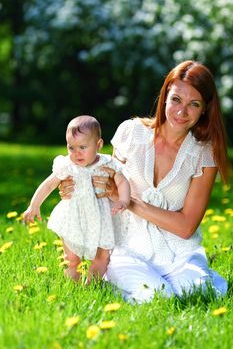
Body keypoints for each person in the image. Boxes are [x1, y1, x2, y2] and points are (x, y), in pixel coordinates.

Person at [58, 61, 230, 303]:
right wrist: (72, 189)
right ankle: (117, 280)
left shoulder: (204, 153)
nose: (182, 112)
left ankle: (200, 278)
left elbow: (186, 226)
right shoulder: (130, 133)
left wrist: (129, 202)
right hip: (128, 249)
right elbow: (101, 189)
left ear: (205, 109)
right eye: (176, 100)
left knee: (198, 295)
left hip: (179, 253)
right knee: (159, 298)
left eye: (194, 104)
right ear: (165, 98)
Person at [23, 115, 131, 282]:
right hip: (73, 218)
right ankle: (73, 287)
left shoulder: (107, 163)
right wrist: (34, 205)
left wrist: (123, 200)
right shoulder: (67, 165)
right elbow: (49, 185)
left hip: (100, 219)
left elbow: (122, 181)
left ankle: (91, 286)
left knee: (102, 257)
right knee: (72, 259)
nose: (76, 153)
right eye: (71, 148)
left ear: (99, 145)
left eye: (82, 147)